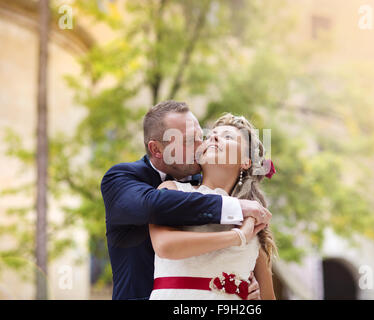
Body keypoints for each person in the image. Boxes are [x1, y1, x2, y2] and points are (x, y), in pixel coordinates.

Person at [100, 101, 272, 300]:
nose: (203, 144)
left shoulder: (245, 208)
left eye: (201, 137)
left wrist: (242, 286)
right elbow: (156, 205)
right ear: (156, 149)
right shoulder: (124, 178)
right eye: (190, 140)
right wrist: (237, 220)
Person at [149, 113, 277, 300]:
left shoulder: (255, 221)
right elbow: (165, 246)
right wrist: (237, 236)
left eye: (228, 137)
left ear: (245, 162)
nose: (213, 137)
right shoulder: (172, 190)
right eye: (209, 136)